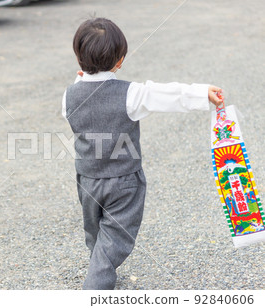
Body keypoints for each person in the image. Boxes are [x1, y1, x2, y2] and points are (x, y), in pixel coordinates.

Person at [62, 17, 224, 290]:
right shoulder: (130, 93)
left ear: (78, 58)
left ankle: (99, 267)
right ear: (120, 60)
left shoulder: (69, 95)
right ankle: (96, 285)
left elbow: (72, 106)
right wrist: (201, 93)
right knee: (117, 235)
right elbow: (167, 95)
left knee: (95, 230)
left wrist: (80, 81)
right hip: (124, 180)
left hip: (87, 179)